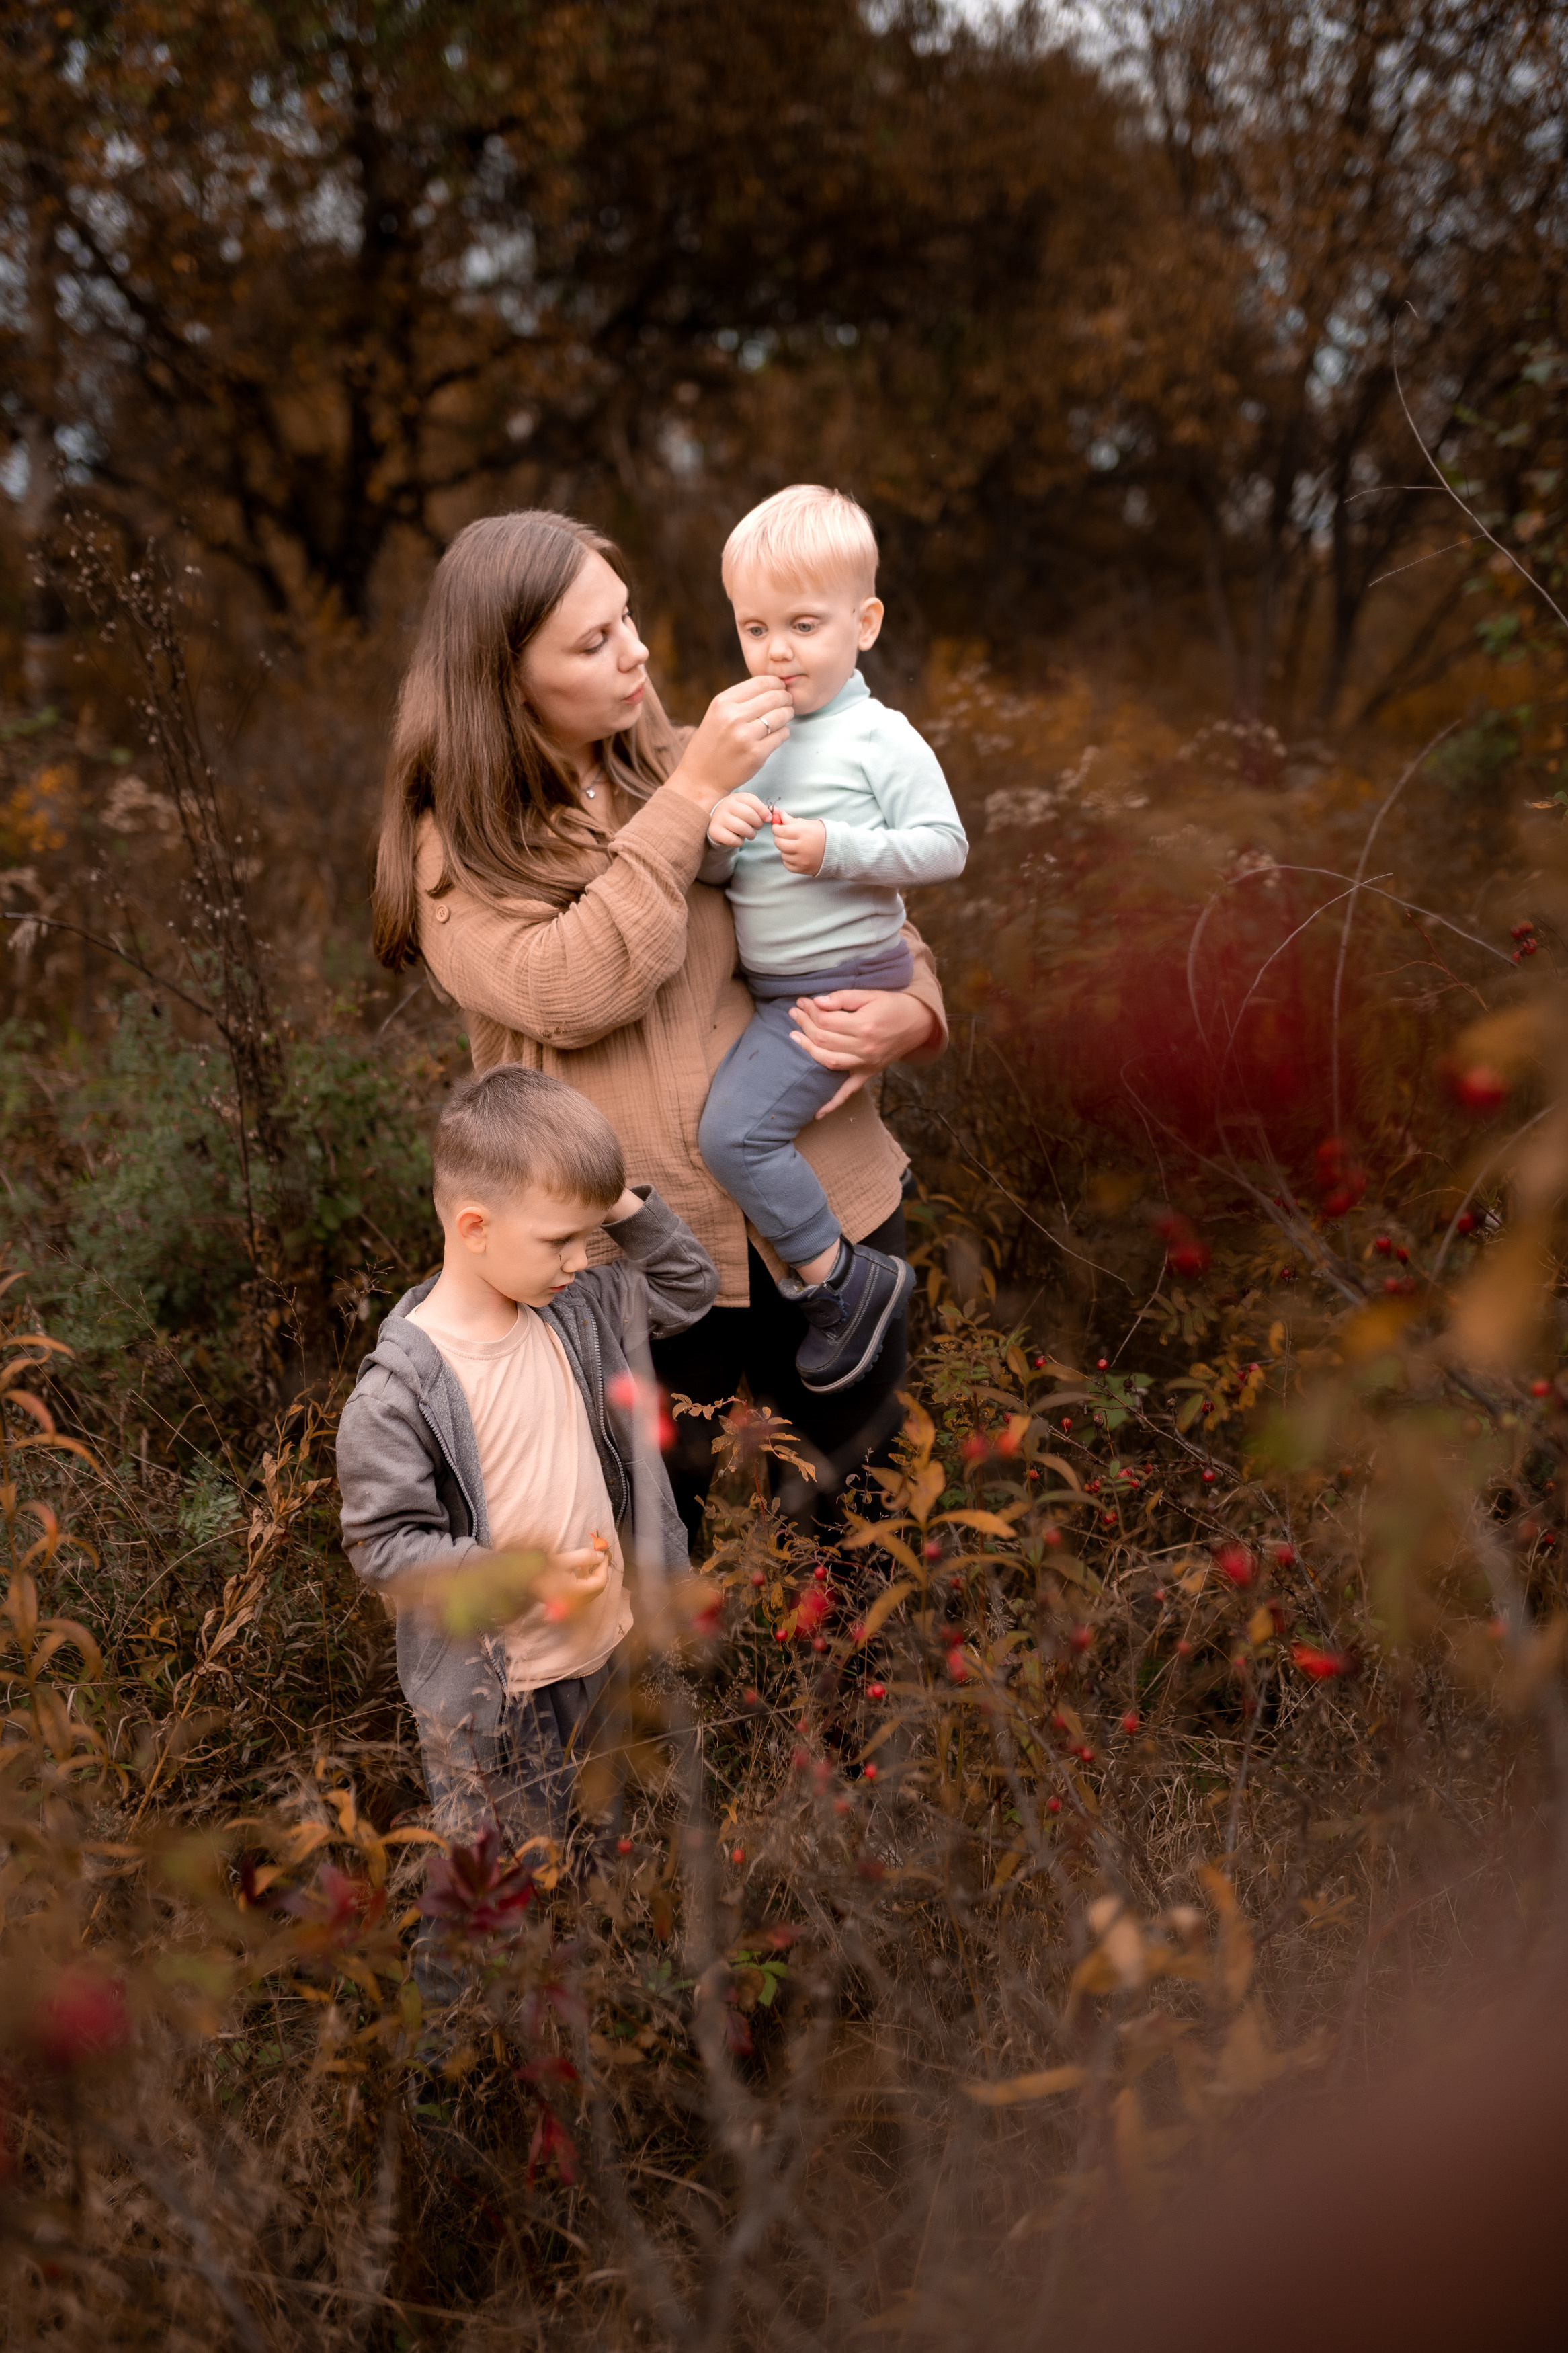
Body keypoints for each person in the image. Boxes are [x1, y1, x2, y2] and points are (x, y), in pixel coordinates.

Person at [371, 508, 949, 1540]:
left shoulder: (688, 763)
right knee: (644, 1549)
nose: (636, 652)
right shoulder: (458, 847)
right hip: (638, 1260)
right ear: (506, 678)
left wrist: (912, 1011)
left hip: (822, 1218)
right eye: (593, 642)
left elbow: (861, 906)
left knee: (860, 1536)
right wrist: (687, 798)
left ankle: (852, 1710)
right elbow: (573, 989)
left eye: (627, 619)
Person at [335, 1066, 717, 1956]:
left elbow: (687, 1288)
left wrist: (610, 1197)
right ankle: (454, 2072)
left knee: (604, 1856)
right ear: (473, 1227)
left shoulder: (572, 1311)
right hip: (494, 1699)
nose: (581, 1260)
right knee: (484, 1895)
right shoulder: (399, 1395)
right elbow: (384, 1552)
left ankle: (600, 2025)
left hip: (604, 1652)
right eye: (558, 1240)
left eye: (589, 1237)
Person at [696, 485, 967, 1393]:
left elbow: (945, 847)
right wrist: (713, 833)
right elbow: (716, 881)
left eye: (803, 626)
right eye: (754, 628)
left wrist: (839, 850)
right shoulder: (746, 732)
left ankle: (843, 1285)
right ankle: (836, 1278)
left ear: (866, 623)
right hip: (778, 986)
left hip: (841, 979)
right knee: (741, 1131)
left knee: (734, 1136)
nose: (776, 653)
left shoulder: (877, 738)